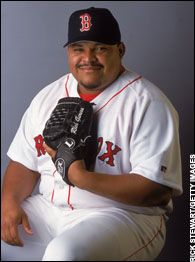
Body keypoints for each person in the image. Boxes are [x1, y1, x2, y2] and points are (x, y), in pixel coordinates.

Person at [1, 7, 182, 261]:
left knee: (64, 254)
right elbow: (23, 162)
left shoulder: (147, 102)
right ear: (69, 52)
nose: (88, 57)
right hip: (49, 211)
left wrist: (81, 178)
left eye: (100, 48)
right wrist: (8, 202)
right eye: (78, 48)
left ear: (120, 50)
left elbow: (157, 190)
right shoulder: (47, 97)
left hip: (123, 215)